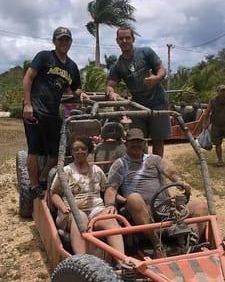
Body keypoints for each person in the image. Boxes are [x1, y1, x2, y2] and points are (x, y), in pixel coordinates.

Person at [104, 128, 207, 257]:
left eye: (139, 142)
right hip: (139, 208)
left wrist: (179, 181)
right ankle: (157, 244)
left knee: (200, 205)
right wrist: (110, 205)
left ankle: (191, 244)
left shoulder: (154, 159)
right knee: (134, 198)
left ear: (144, 144)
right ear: (126, 144)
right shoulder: (120, 164)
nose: (136, 145)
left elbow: (168, 170)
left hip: (164, 205)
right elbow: (111, 188)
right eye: (132, 142)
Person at [23, 26, 89, 198]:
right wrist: (28, 105)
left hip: (53, 113)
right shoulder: (45, 56)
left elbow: (75, 88)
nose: (64, 42)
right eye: (60, 39)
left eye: (67, 39)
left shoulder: (72, 66)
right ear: (54, 41)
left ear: (71, 42)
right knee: (34, 150)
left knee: (58, 150)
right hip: (36, 110)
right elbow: (28, 78)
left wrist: (80, 93)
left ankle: (44, 177)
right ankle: (34, 186)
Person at [50, 136, 124, 257]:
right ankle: (84, 262)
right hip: (72, 211)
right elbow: (54, 194)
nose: (80, 152)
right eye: (76, 149)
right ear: (71, 152)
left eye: (83, 148)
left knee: (110, 220)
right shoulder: (66, 171)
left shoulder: (96, 170)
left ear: (88, 150)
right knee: (81, 217)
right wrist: (63, 208)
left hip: (96, 209)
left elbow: (106, 190)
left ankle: (123, 262)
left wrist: (111, 204)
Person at [106, 25, 171, 157]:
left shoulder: (145, 52)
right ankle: (140, 169)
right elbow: (110, 85)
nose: (124, 41)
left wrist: (157, 78)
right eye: (121, 38)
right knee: (137, 139)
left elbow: (162, 69)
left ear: (133, 39)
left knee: (158, 139)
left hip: (158, 102)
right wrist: (111, 92)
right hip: (138, 106)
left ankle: (156, 168)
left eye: (127, 38)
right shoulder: (117, 65)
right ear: (117, 41)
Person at [203, 85, 225, 166]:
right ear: (218, 92)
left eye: (224, 91)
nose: (223, 92)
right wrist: (205, 123)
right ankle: (220, 160)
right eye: (221, 91)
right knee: (218, 144)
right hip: (216, 126)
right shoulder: (213, 101)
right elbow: (207, 112)